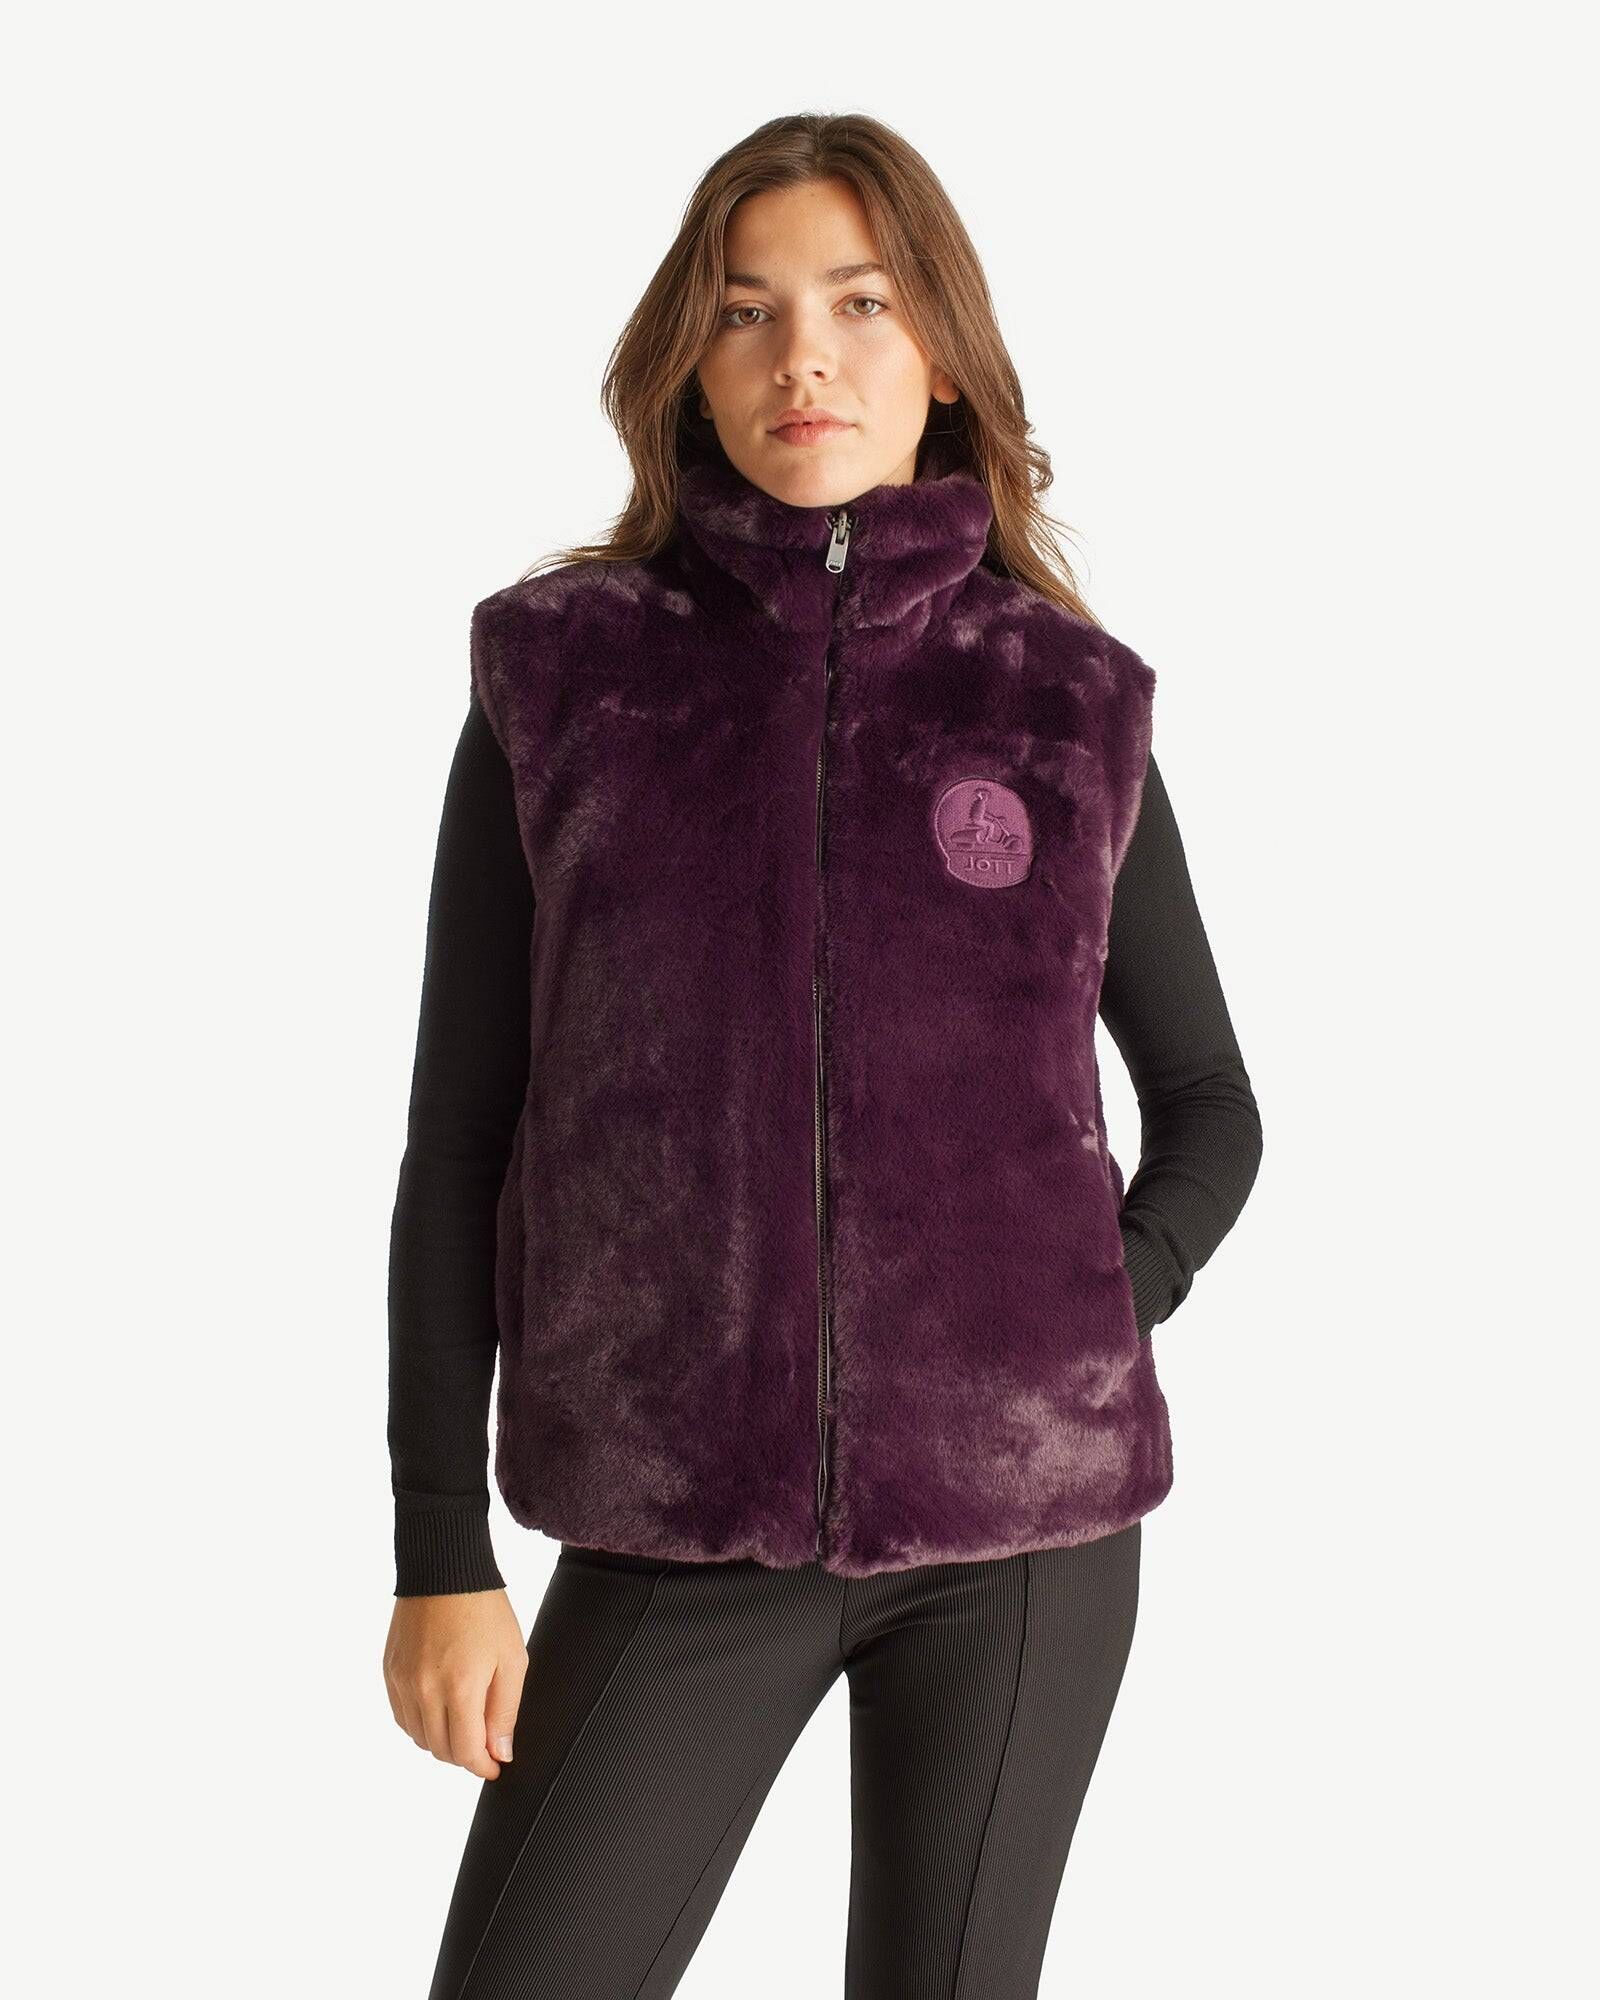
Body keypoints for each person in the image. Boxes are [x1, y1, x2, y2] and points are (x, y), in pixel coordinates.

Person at [384, 112, 1262, 2000]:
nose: (806, 356)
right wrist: (440, 1547)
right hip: (679, 1525)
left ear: (940, 354)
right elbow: (464, 1136)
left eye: (861, 304)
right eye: (748, 310)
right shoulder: (563, 680)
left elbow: (1212, 1108)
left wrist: (1082, 1309)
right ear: (687, 367)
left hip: (1030, 1542)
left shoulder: (1067, 699)